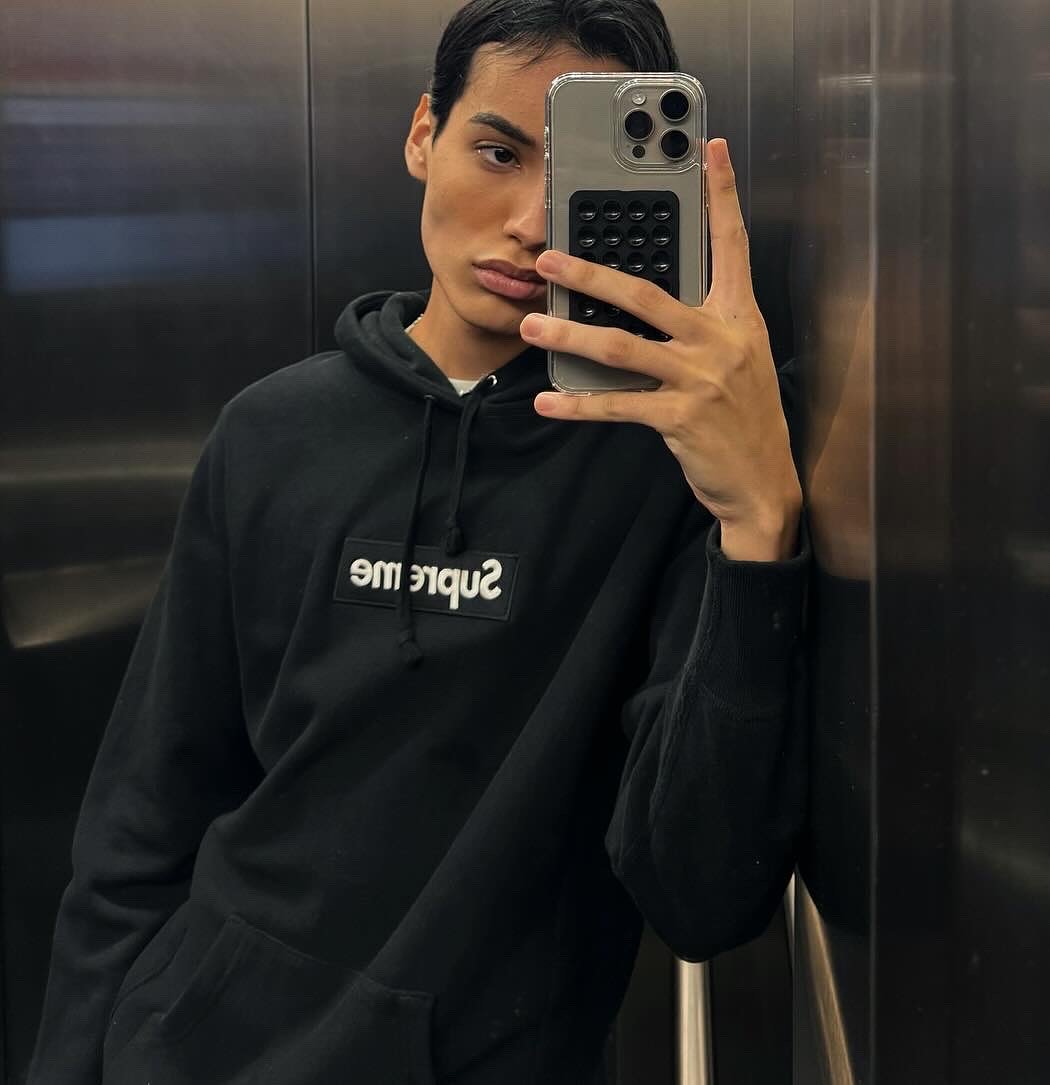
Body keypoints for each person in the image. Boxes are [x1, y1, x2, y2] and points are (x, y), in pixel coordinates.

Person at [26, 1, 810, 1081]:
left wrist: (758, 525)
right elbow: (141, 817)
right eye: (497, 151)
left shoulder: (664, 462)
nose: (531, 222)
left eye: (574, 179)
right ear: (421, 135)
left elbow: (703, 894)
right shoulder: (270, 432)